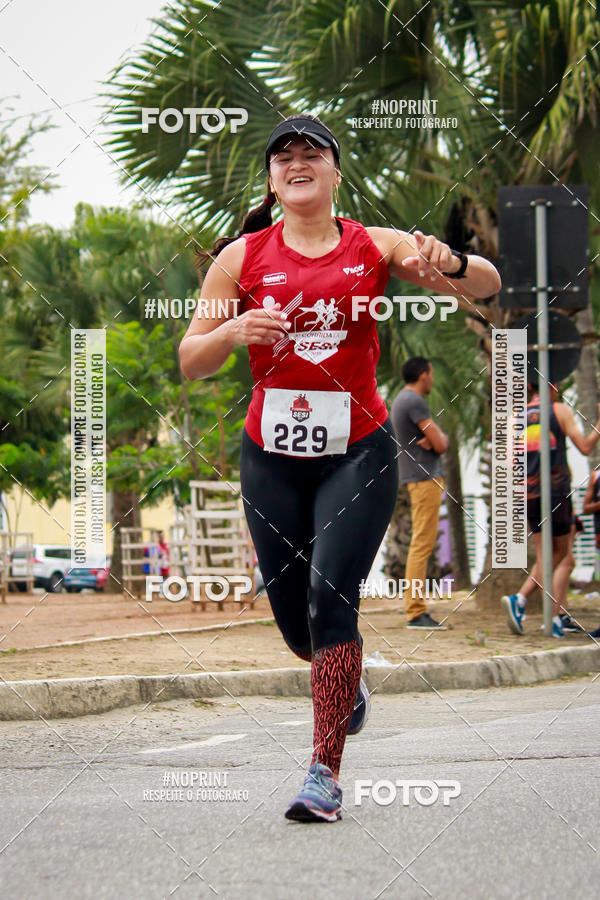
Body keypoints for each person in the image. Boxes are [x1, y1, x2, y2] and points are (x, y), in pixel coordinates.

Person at [179, 114, 501, 823]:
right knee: (299, 629)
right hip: (270, 457)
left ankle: (323, 772)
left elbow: (487, 282)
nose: (297, 162)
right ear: (271, 178)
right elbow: (190, 359)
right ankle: (342, 678)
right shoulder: (241, 257)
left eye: (312, 153)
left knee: (333, 603)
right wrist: (230, 331)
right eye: (283, 155)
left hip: (356, 452)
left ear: (333, 173)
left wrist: (445, 261)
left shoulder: (372, 243)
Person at [501, 383, 600, 638]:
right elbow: (586, 447)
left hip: (529, 494)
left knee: (547, 555)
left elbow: (512, 464)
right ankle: (535, 607)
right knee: (559, 553)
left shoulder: (516, 417)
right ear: (552, 386)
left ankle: (539, 611)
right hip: (556, 492)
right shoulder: (560, 410)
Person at [391, 357, 449, 629]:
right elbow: (440, 443)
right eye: (432, 373)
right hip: (425, 479)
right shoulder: (414, 402)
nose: (433, 379)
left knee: (421, 543)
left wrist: (436, 440)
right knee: (422, 544)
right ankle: (415, 611)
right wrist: (437, 440)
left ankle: (415, 608)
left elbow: (436, 441)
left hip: (419, 478)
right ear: (423, 375)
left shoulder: (403, 400)